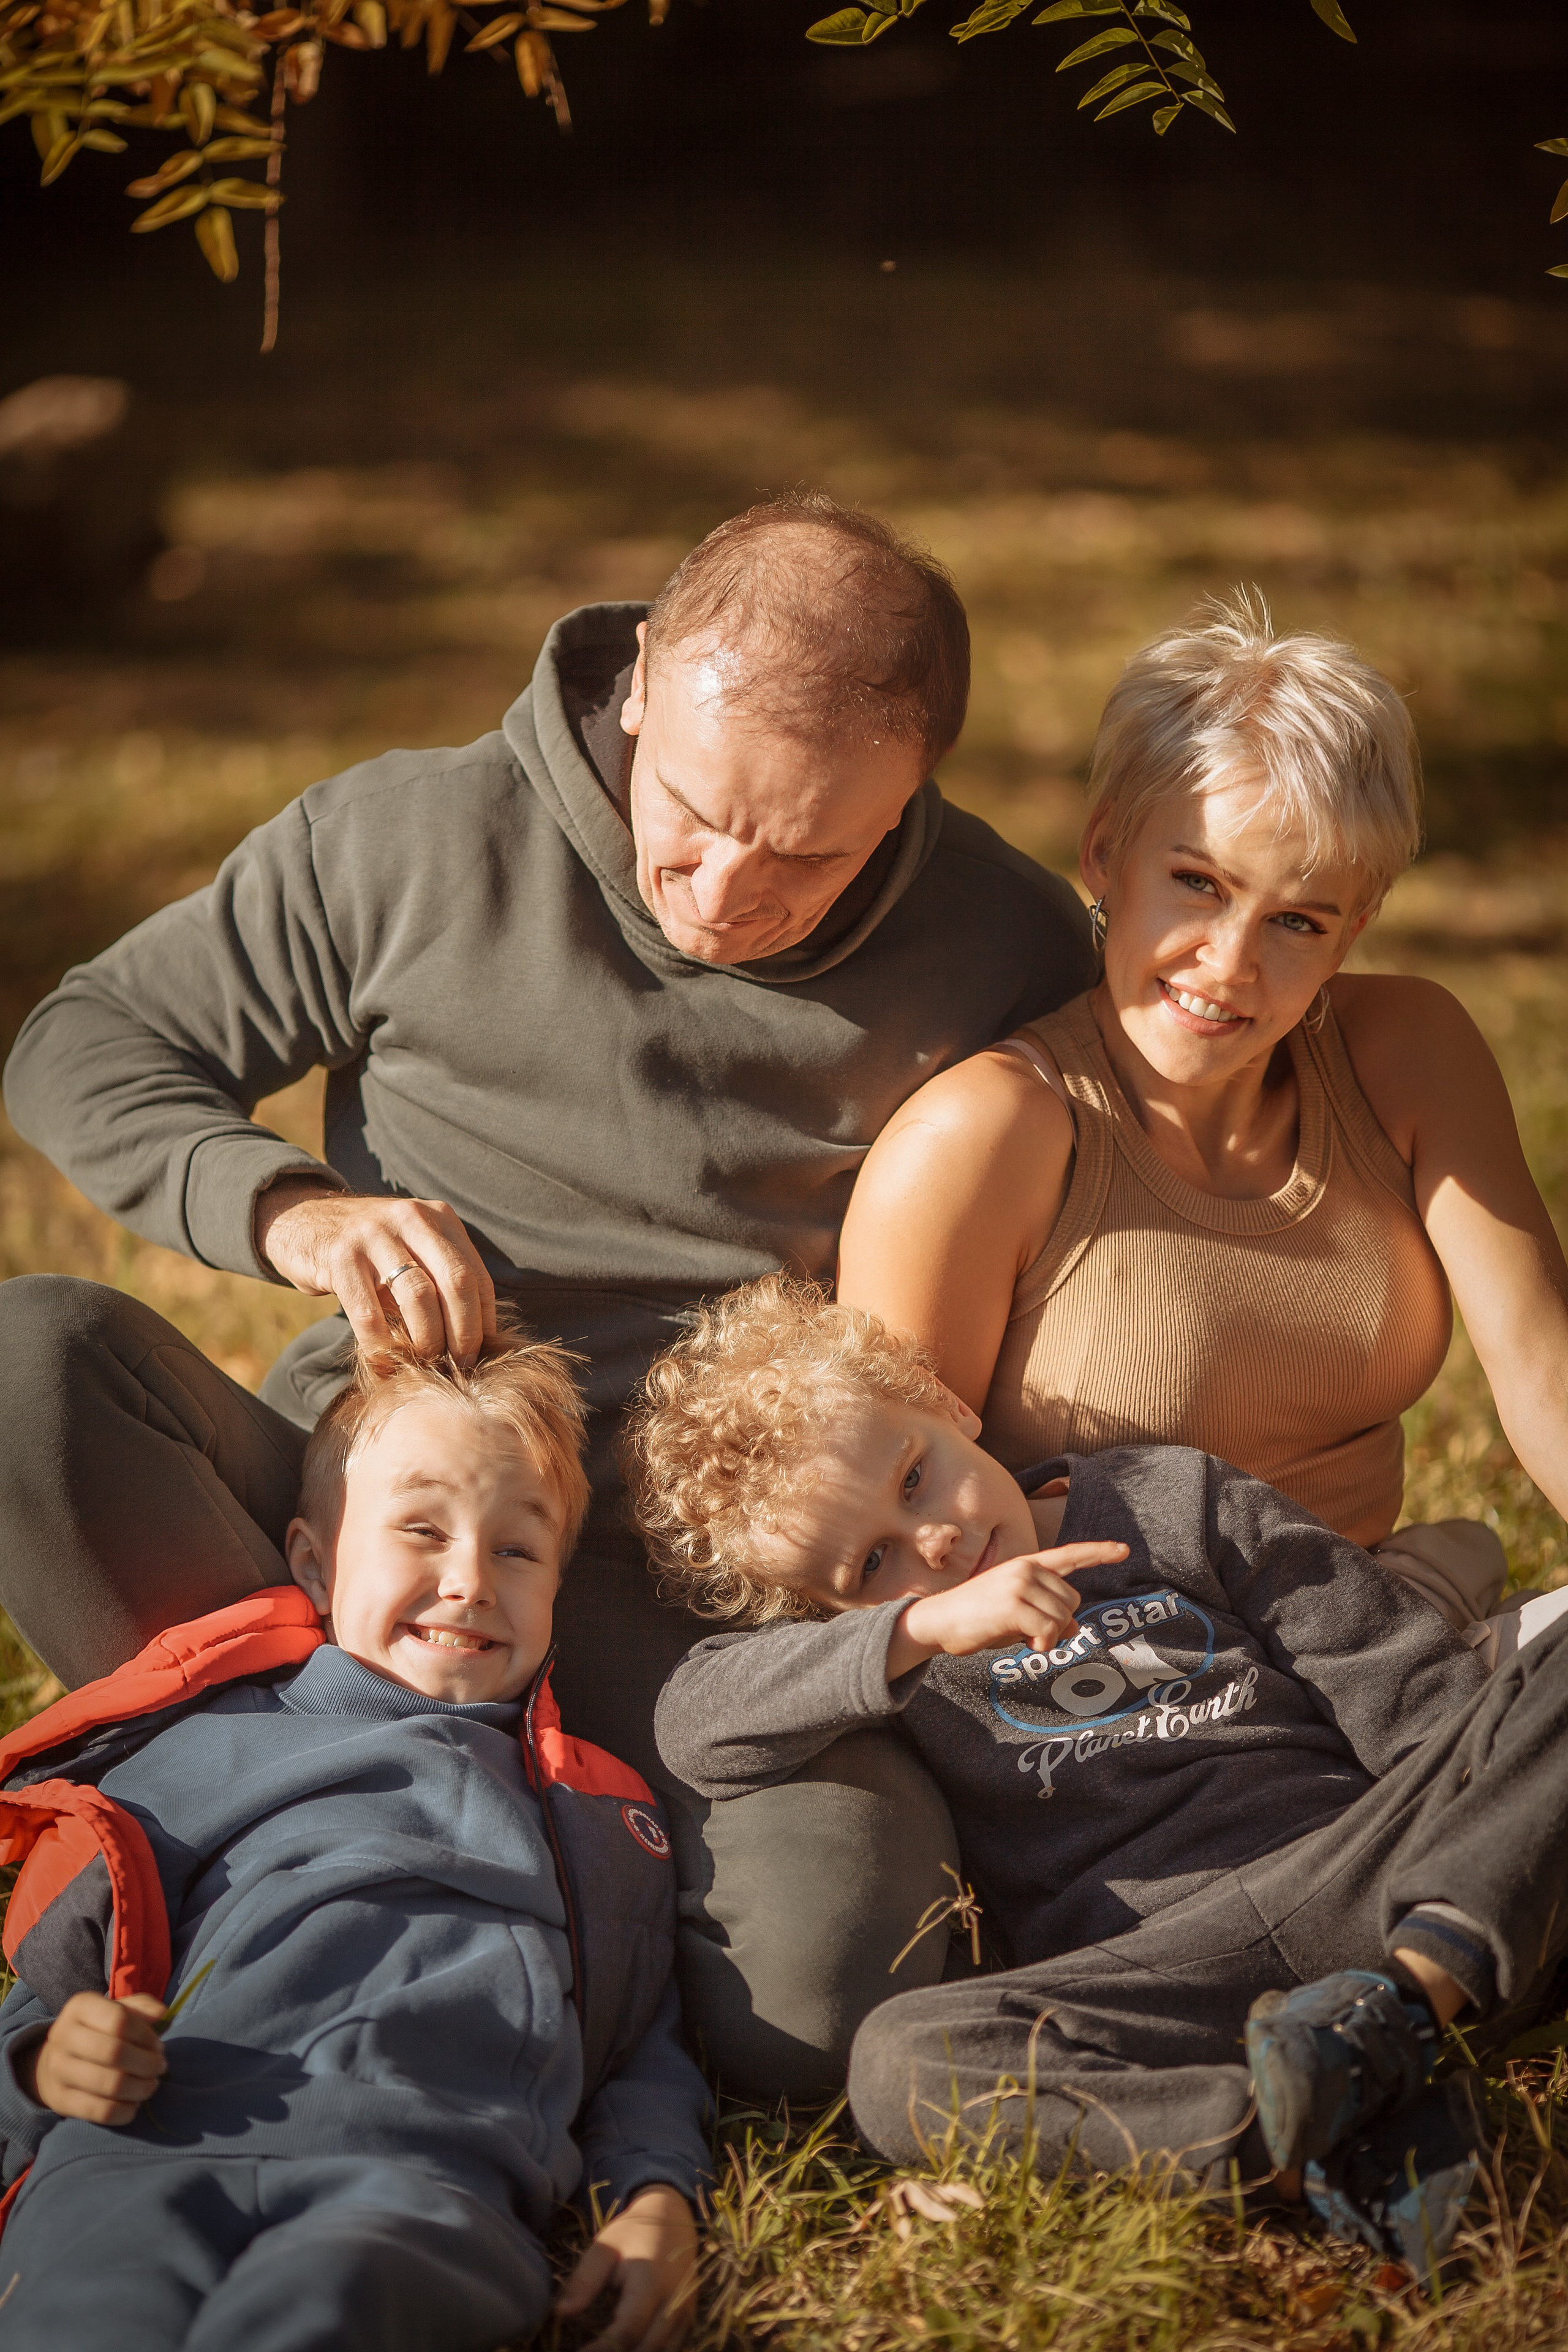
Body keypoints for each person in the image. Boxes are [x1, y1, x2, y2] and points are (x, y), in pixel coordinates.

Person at [0, 491, 1095, 2098]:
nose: (724, 891)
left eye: (805, 851)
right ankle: (280, 1789)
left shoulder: (1005, 938)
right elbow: (81, 1045)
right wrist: (297, 1215)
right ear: (643, 678)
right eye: (696, 813)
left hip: (712, 1586)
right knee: (28, 1364)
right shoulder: (403, 838)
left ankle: (500, 1874)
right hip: (380, 1505)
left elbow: (1120, 1220)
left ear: (915, 787)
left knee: (822, 1997)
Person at [635, 1278, 1568, 2283]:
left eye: (915, 1479)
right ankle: (1289, 2140)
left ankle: (1397, 2011)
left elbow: (1399, 1683)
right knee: (902, 2062)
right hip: (1168, 1979)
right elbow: (695, 1725)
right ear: (827, 1610)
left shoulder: (1172, 1499)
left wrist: (1495, 1805)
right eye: (871, 1564)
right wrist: (917, 1631)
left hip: (1376, 1876)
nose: (936, 1544)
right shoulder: (894, 1663)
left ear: (948, 1406)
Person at [836, 592, 1568, 1651]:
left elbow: (1546, 1375)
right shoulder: (980, 1141)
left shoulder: (1409, 1054)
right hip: (1114, 1710)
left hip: (1384, 1656)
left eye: (1296, 920)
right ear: (1103, 856)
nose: (1230, 964)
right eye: (1197, 883)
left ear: (1352, 931)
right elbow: (885, 1551)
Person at [0, 1314, 709, 2352]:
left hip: (423, 2188)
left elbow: (641, 2041)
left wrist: (657, 2190)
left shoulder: (601, 1814)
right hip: (139, 2157)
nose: (471, 1577)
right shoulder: (200, 1748)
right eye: (422, 1531)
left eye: (517, 1548)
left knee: (327, 2319)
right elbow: (51, 1985)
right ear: (317, 1564)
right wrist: (43, 2066)